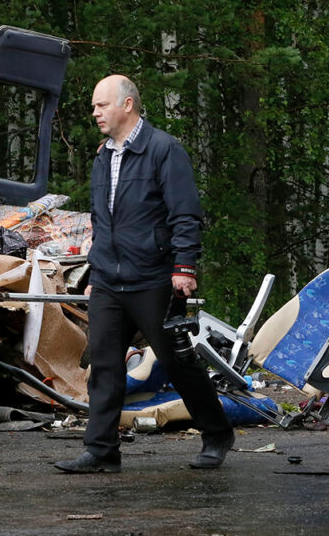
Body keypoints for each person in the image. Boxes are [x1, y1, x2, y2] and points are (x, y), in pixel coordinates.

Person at [54, 74, 233, 474]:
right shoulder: (103, 155)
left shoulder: (164, 150)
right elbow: (102, 219)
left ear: (127, 105)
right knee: (103, 365)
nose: (95, 112)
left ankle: (217, 432)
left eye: (102, 105)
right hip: (108, 280)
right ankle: (102, 451)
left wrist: (184, 267)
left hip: (154, 277)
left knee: (176, 362)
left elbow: (184, 213)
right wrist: (93, 271)